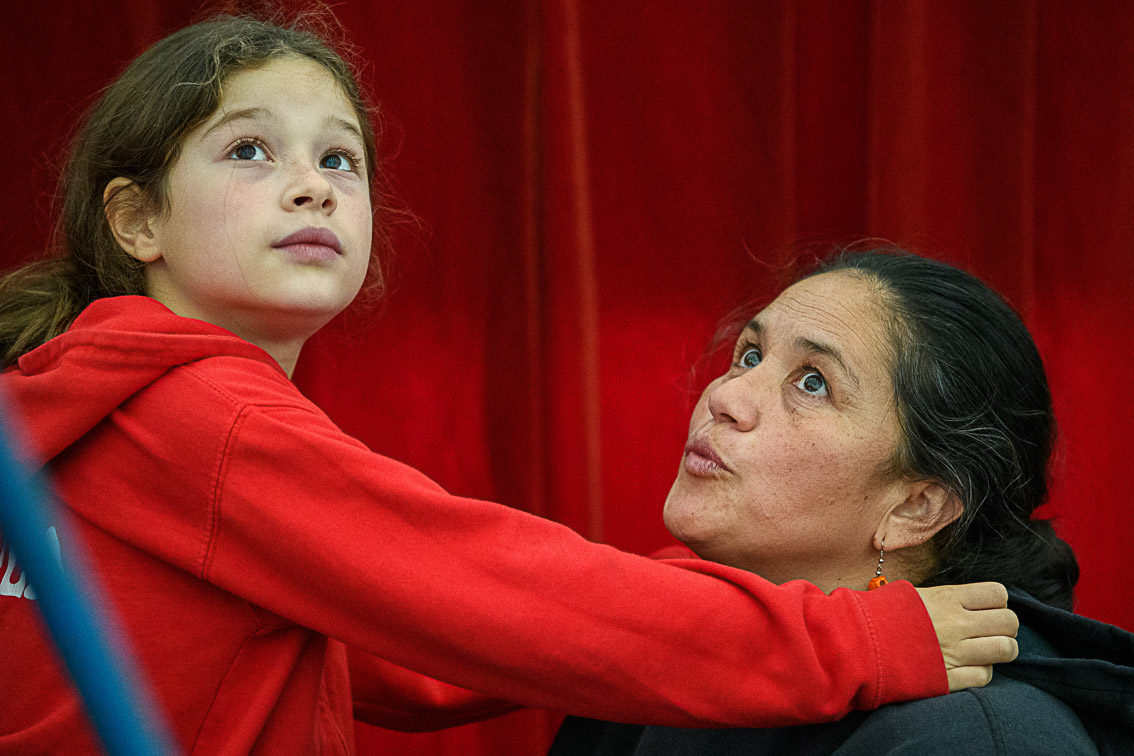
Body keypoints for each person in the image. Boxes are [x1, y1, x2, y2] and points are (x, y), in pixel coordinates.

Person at [0, 15, 1018, 755]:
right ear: (137, 221)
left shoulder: (110, 402)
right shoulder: (201, 415)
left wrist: (696, 595)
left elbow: (402, 652)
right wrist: (850, 638)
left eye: (340, 159)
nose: (311, 185)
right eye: (250, 150)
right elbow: (486, 597)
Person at [550, 248, 1134, 755]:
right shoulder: (664, 657)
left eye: (813, 383)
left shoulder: (976, 738)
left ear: (916, 507)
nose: (726, 396)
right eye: (750, 355)